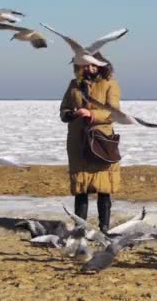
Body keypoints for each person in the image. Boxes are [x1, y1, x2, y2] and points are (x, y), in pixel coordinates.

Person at [59, 52, 121, 234]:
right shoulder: (74, 85)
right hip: (78, 141)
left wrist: (91, 114)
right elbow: (64, 109)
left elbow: (114, 113)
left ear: (101, 65)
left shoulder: (110, 84)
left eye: (93, 65)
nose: (90, 68)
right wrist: (71, 114)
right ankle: (80, 229)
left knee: (104, 187)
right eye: (86, 65)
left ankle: (104, 229)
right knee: (81, 188)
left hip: (101, 142)